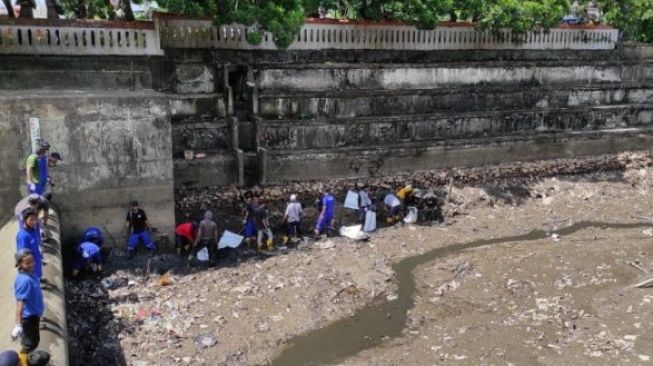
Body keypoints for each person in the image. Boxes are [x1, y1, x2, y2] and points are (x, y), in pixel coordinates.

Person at [12, 249, 44, 366]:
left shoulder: (31, 274)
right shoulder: (24, 281)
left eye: (32, 261)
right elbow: (20, 303)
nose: (32, 264)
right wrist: (18, 324)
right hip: (28, 318)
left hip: (34, 315)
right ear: (20, 264)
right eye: (27, 263)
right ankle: (23, 363)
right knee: (29, 344)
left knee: (33, 341)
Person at [16, 209, 42, 279]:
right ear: (25, 220)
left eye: (35, 219)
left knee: (38, 276)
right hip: (31, 265)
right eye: (31, 219)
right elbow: (24, 256)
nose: (34, 222)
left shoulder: (32, 230)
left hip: (36, 260)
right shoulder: (23, 236)